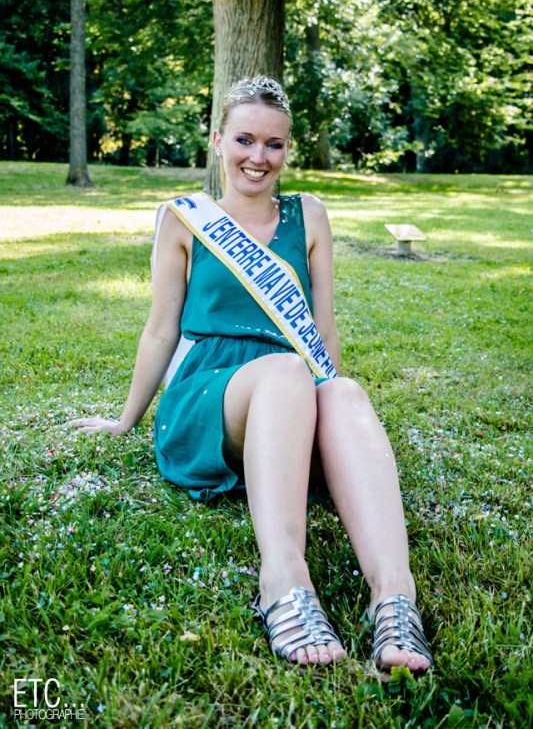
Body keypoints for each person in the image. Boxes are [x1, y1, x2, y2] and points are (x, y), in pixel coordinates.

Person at [71, 75, 433, 673]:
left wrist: (330, 421)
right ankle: (283, 581)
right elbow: (160, 330)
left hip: (292, 391)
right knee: (286, 371)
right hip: (211, 394)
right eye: (244, 140)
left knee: (342, 391)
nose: (258, 157)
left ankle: (394, 597)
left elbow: (323, 328)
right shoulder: (184, 219)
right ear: (217, 140)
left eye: (274, 144)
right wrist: (125, 420)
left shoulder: (309, 216)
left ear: (287, 149)